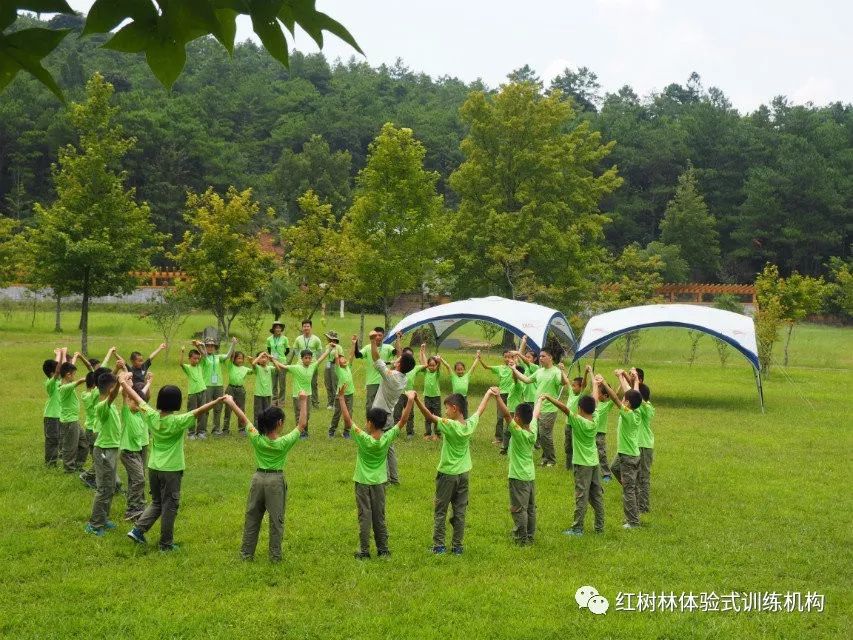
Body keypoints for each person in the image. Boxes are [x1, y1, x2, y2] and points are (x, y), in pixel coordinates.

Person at [126, 383, 226, 550]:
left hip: (153, 468)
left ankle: (138, 530)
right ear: (177, 403)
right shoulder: (178, 421)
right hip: (171, 470)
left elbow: (137, 398)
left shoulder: (151, 415)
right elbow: (198, 411)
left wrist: (123, 383)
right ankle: (166, 544)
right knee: (169, 506)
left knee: (157, 502)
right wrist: (217, 401)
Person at [338, 384, 416, 559]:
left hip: (362, 482)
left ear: (370, 423)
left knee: (364, 517)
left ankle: (364, 551)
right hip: (380, 482)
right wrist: (410, 400)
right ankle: (383, 550)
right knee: (379, 516)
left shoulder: (363, 438)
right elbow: (402, 421)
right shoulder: (387, 438)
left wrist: (341, 398)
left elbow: (347, 420)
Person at [415, 388, 494, 555]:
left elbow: (429, 416)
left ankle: (439, 546)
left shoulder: (449, 425)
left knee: (440, 510)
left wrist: (415, 400)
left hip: (447, 474)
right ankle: (457, 547)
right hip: (464, 473)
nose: (445, 411)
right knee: (460, 511)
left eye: (446, 408)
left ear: (454, 408)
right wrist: (487, 393)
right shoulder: (470, 424)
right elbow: (480, 410)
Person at [231, 392, 308, 562]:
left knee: (252, 518)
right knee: (276, 520)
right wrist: (303, 401)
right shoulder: (283, 443)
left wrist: (231, 402)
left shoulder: (257, 438)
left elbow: (244, 419)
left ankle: (246, 554)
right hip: (275, 481)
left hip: (257, 479)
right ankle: (275, 556)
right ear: (279, 423)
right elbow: (302, 425)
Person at [545, 379, 605, 536]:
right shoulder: (595, 419)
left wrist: (550, 398)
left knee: (581, 496)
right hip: (594, 462)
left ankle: (577, 528)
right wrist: (595, 384)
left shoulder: (578, 422)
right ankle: (599, 527)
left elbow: (565, 409)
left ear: (580, 408)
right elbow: (595, 400)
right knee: (596, 496)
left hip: (582, 465)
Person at [365, 330, 417, 485]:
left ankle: (385, 478)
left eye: (399, 359)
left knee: (379, 446)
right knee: (389, 447)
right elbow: (400, 364)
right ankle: (393, 478)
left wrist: (373, 341)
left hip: (379, 415)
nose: (396, 359)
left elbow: (376, 358)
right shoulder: (403, 379)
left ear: (400, 364)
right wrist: (396, 364)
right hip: (389, 415)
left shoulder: (391, 376)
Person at [601, 370, 646, 529]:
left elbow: (614, 398)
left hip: (628, 456)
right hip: (626, 454)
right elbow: (634, 393)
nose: (623, 398)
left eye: (624, 399)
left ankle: (633, 522)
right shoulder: (638, 410)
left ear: (627, 403)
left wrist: (605, 384)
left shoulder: (628, 413)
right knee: (613, 468)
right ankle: (631, 487)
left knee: (628, 491)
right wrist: (630, 379)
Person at [494, 395, 541, 545]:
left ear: (518, 419)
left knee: (519, 509)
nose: (513, 418)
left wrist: (497, 396)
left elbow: (506, 415)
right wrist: (539, 400)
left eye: (516, 416)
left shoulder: (518, 433)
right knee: (530, 509)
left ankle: (521, 539)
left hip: (518, 477)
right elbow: (535, 414)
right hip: (530, 476)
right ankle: (530, 536)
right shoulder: (532, 429)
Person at [85, 368, 124, 536]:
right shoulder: (102, 406)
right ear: (110, 389)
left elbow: (116, 392)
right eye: (116, 387)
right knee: (103, 488)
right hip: (104, 451)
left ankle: (103, 518)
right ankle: (94, 525)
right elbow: (114, 394)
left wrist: (123, 379)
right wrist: (119, 382)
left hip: (112, 450)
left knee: (110, 487)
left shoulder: (110, 405)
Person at [512, 350, 568, 467]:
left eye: (543, 356)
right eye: (540, 356)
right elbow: (526, 380)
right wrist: (514, 369)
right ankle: (545, 458)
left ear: (551, 357)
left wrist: (563, 371)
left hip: (549, 409)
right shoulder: (539, 371)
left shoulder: (556, 372)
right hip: (538, 408)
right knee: (539, 434)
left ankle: (551, 460)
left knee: (545, 434)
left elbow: (563, 382)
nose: (541, 358)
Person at [281, 344, 332, 437]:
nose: (308, 360)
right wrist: (272, 359)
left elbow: (321, 358)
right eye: (305, 358)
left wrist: (329, 349)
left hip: (308, 395)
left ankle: (305, 430)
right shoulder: (296, 368)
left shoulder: (312, 366)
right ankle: (299, 432)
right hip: (297, 395)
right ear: (301, 359)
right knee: (299, 414)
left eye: (309, 358)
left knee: (307, 414)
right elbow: (283, 367)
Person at [192, 337, 234, 436]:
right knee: (205, 408)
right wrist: (199, 345)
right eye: (208, 346)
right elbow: (203, 353)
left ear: (215, 347)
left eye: (212, 346)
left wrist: (233, 344)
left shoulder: (218, 357)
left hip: (218, 385)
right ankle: (201, 431)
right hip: (207, 386)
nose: (210, 347)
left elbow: (228, 355)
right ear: (205, 347)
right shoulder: (203, 357)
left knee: (218, 408)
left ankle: (216, 430)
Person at [120, 381, 149, 522]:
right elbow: (124, 394)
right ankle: (132, 509)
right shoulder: (127, 413)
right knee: (139, 479)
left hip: (136, 452)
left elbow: (142, 402)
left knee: (135, 479)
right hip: (127, 453)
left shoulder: (140, 414)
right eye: (134, 403)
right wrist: (125, 383)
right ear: (129, 400)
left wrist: (149, 383)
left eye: (139, 404)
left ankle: (136, 506)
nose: (137, 406)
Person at [57, 353, 92, 473]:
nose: (74, 376)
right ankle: (69, 469)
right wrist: (88, 378)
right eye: (73, 374)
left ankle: (78, 465)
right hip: (69, 421)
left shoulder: (67, 384)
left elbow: (72, 376)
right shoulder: (63, 388)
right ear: (68, 375)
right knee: (70, 446)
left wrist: (76, 358)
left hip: (74, 420)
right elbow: (78, 382)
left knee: (84, 444)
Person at [479, 349, 518, 445]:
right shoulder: (500, 368)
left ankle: (513, 437)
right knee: (500, 417)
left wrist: (516, 359)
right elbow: (486, 367)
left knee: (512, 417)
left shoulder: (515, 367)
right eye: (506, 357)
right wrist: (480, 359)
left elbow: (518, 359)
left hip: (512, 395)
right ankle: (499, 438)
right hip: (501, 395)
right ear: (503, 358)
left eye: (510, 357)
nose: (508, 359)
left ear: (513, 358)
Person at [354, 327, 399, 409]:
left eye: (380, 335)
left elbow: (396, 352)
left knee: (384, 405)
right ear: (373, 336)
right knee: (370, 405)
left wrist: (398, 338)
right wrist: (355, 343)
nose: (377, 337)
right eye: (376, 335)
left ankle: (382, 422)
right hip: (372, 381)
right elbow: (358, 355)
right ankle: (369, 421)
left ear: (383, 336)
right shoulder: (368, 347)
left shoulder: (388, 347)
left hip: (385, 380)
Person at [393, 346, 424, 440]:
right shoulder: (398, 367)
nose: (409, 358)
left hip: (409, 394)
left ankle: (410, 432)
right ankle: (395, 432)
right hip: (399, 393)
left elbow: (426, 364)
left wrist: (422, 352)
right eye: (406, 356)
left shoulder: (415, 368)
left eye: (411, 356)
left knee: (410, 414)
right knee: (397, 413)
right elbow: (393, 365)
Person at [329, 336, 357, 439]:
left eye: (344, 358)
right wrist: (335, 348)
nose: (344, 360)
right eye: (341, 360)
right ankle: (332, 430)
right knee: (337, 413)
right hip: (340, 395)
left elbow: (351, 355)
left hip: (350, 394)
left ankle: (347, 431)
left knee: (349, 414)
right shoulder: (338, 369)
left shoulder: (348, 367)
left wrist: (353, 343)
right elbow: (336, 358)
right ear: (338, 363)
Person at [563, 366, 591, 469]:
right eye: (573, 385)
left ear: (580, 387)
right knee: (568, 445)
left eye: (575, 386)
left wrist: (585, 373)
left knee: (575, 445)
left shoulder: (581, 396)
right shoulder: (571, 392)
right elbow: (566, 380)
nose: (572, 387)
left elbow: (584, 384)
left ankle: (576, 465)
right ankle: (568, 466)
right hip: (568, 424)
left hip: (575, 425)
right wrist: (562, 370)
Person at [290, 320, 323, 409]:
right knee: (300, 384)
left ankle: (315, 403)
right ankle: (300, 400)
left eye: (308, 326)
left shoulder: (316, 339)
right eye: (304, 326)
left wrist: (316, 362)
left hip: (312, 365)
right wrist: (299, 358)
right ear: (302, 328)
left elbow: (319, 351)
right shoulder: (298, 339)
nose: (306, 328)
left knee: (313, 384)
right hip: (300, 365)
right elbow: (295, 349)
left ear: (311, 327)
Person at [224, 340, 253, 435]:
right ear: (234, 359)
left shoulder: (245, 369)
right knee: (228, 409)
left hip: (240, 390)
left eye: (241, 358)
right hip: (230, 389)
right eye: (238, 358)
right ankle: (225, 429)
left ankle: (241, 429)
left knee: (241, 409)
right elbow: (231, 356)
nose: (240, 360)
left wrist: (253, 361)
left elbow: (255, 370)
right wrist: (234, 344)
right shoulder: (230, 366)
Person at [42, 347, 65, 467]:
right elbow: (57, 371)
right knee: (52, 440)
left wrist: (58, 354)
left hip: (58, 415)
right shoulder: (50, 383)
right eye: (57, 369)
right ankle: (50, 464)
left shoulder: (57, 382)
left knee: (58, 439)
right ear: (53, 373)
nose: (60, 371)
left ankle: (54, 460)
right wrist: (61, 355)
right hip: (51, 416)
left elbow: (56, 369)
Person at [179, 346, 207, 439]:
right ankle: (191, 433)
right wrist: (182, 351)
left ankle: (201, 432)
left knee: (202, 412)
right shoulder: (188, 367)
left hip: (202, 391)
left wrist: (198, 346)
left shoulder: (200, 366)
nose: (197, 360)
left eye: (198, 359)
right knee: (192, 413)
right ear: (190, 359)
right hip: (193, 393)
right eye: (194, 358)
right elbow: (181, 363)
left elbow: (203, 354)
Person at [637, 380, 655, 514]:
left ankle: (643, 506)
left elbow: (636, 395)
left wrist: (636, 381)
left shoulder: (647, 407)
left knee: (643, 477)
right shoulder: (641, 406)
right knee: (615, 467)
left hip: (644, 446)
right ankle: (635, 494)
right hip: (636, 445)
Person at [420, 346, 444, 441]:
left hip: (436, 398)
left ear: (436, 366)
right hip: (427, 397)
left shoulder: (437, 373)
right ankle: (428, 433)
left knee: (437, 416)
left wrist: (439, 360)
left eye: (434, 365)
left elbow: (439, 365)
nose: (431, 367)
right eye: (430, 365)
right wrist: (422, 352)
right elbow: (424, 363)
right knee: (428, 416)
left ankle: (437, 434)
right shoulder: (426, 372)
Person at [447, 354, 480, 420]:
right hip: (455, 398)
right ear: (455, 370)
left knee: (464, 413)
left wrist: (477, 359)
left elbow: (473, 367)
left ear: (464, 370)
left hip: (464, 398)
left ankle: (464, 425)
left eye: (461, 369)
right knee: (455, 412)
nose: (460, 371)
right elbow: (448, 366)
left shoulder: (467, 376)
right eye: (458, 370)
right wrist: (440, 359)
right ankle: (455, 425)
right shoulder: (453, 376)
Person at [266, 320, 290, 408]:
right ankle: (274, 400)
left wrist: (281, 357)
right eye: (276, 327)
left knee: (282, 383)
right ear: (273, 329)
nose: (278, 329)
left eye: (280, 327)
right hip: (272, 363)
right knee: (274, 383)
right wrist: (273, 358)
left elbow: (287, 350)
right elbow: (269, 350)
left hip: (282, 363)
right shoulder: (269, 339)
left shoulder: (285, 338)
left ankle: (282, 401)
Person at [251, 352, 278, 426]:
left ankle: (265, 427)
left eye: (265, 357)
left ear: (268, 359)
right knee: (258, 412)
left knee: (267, 412)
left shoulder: (270, 368)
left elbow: (278, 369)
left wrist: (272, 359)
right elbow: (253, 363)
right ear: (258, 359)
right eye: (261, 358)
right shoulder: (257, 368)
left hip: (268, 394)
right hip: (258, 394)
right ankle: (256, 428)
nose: (263, 359)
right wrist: (260, 355)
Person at [323, 330, 343, 410]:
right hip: (327, 365)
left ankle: (336, 403)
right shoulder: (327, 346)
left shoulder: (338, 347)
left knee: (335, 384)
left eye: (328, 337)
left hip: (335, 365)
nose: (327, 338)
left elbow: (341, 357)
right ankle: (330, 403)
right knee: (328, 384)